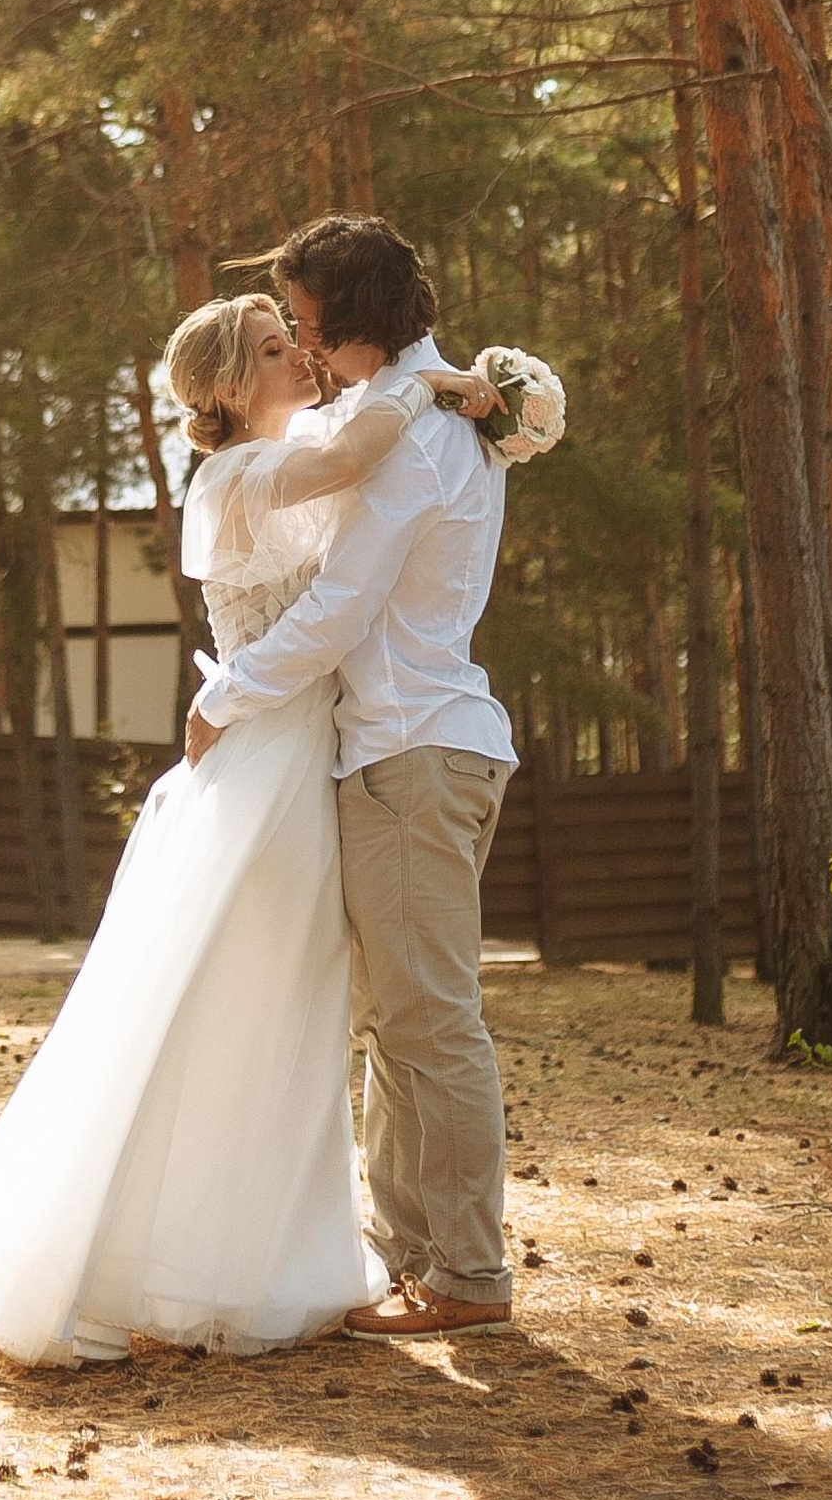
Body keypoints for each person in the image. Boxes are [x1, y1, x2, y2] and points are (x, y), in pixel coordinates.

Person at [0, 294, 514, 1365]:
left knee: (295, 1007)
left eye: (296, 338)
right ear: (228, 387)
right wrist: (429, 379)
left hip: (310, 752)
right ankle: (178, 1258)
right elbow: (360, 457)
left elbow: (360, 476)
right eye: (274, 348)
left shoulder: (289, 456)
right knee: (243, 999)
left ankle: (267, 1250)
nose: (298, 355)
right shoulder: (240, 473)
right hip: (272, 759)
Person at [187, 215, 557, 1341]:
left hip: (412, 745)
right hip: (397, 747)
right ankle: (417, 1261)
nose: (297, 341)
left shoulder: (423, 434)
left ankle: (467, 1276)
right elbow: (333, 436)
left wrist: (226, 695)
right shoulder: (415, 408)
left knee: (430, 1022)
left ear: (347, 322)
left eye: (302, 321)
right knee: (397, 1022)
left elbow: (343, 604)